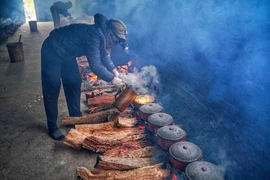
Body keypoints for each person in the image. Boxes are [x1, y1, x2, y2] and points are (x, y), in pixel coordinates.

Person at [41, 13, 126, 140]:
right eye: (116, 39)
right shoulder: (95, 36)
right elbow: (95, 66)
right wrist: (113, 80)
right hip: (52, 49)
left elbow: (104, 56)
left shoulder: (102, 35)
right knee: (52, 87)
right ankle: (52, 127)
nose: (116, 43)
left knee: (74, 82)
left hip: (67, 53)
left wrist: (115, 72)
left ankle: (75, 118)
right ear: (110, 33)